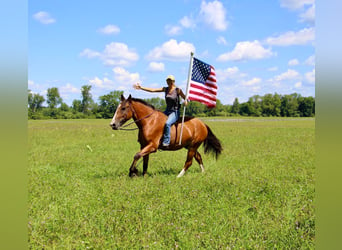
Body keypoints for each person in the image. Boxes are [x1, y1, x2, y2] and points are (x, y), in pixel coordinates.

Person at [133, 75, 188, 147]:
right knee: (156, 121)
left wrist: (185, 102)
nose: (169, 82)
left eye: (170, 80)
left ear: (173, 81)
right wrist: (141, 87)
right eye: (168, 80)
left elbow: (185, 98)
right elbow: (153, 90)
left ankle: (166, 141)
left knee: (167, 123)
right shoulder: (165, 89)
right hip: (167, 111)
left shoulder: (178, 90)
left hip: (175, 112)